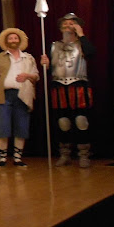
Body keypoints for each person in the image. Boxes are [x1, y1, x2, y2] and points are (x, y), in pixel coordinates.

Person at [40, 13, 96, 168]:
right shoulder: (54, 45)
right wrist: (46, 64)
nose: (67, 25)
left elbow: (91, 53)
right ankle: (65, 154)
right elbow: (52, 68)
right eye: (65, 23)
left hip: (78, 85)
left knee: (81, 121)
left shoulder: (82, 43)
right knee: (63, 122)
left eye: (71, 23)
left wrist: (81, 34)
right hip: (59, 86)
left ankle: (84, 154)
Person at [0, 28, 39, 167]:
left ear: (19, 40)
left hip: (23, 95)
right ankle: (3, 158)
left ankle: (17, 158)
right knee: (3, 126)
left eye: (15, 38)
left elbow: (36, 76)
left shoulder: (28, 58)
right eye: (10, 38)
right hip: (4, 95)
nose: (13, 40)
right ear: (6, 41)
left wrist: (27, 76)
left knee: (21, 125)